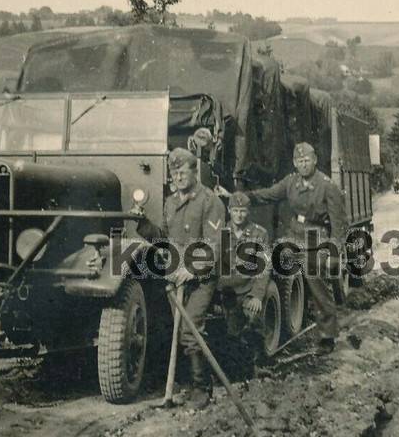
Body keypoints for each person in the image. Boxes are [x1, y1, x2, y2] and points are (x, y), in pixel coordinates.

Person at [136, 147, 225, 406]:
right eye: (174, 173)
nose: (178, 177)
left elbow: (213, 246)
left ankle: (202, 389)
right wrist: (142, 224)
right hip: (176, 277)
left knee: (190, 330)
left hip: (201, 278)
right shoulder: (171, 202)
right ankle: (177, 385)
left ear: (194, 172)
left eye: (182, 172)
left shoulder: (210, 202)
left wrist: (192, 270)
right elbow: (165, 239)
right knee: (174, 331)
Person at [244, 142, 349, 354]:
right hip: (293, 234)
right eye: (299, 161)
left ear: (315, 160)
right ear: (294, 163)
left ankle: (327, 337)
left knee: (317, 284)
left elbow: (339, 225)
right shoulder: (291, 182)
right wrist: (246, 197)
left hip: (316, 237)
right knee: (270, 264)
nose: (303, 164)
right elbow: (270, 194)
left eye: (307, 160)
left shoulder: (327, 186)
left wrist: (333, 253)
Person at [217, 191, 270, 362]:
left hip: (248, 290)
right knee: (230, 336)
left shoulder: (258, 234)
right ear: (229, 210)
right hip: (228, 293)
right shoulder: (221, 233)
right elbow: (215, 265)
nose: (239, 215)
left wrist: (256, 296)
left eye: (242, 211)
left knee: (253, 325)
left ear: (248, 212)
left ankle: (258, 365)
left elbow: (263, 268)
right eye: (235, 211)